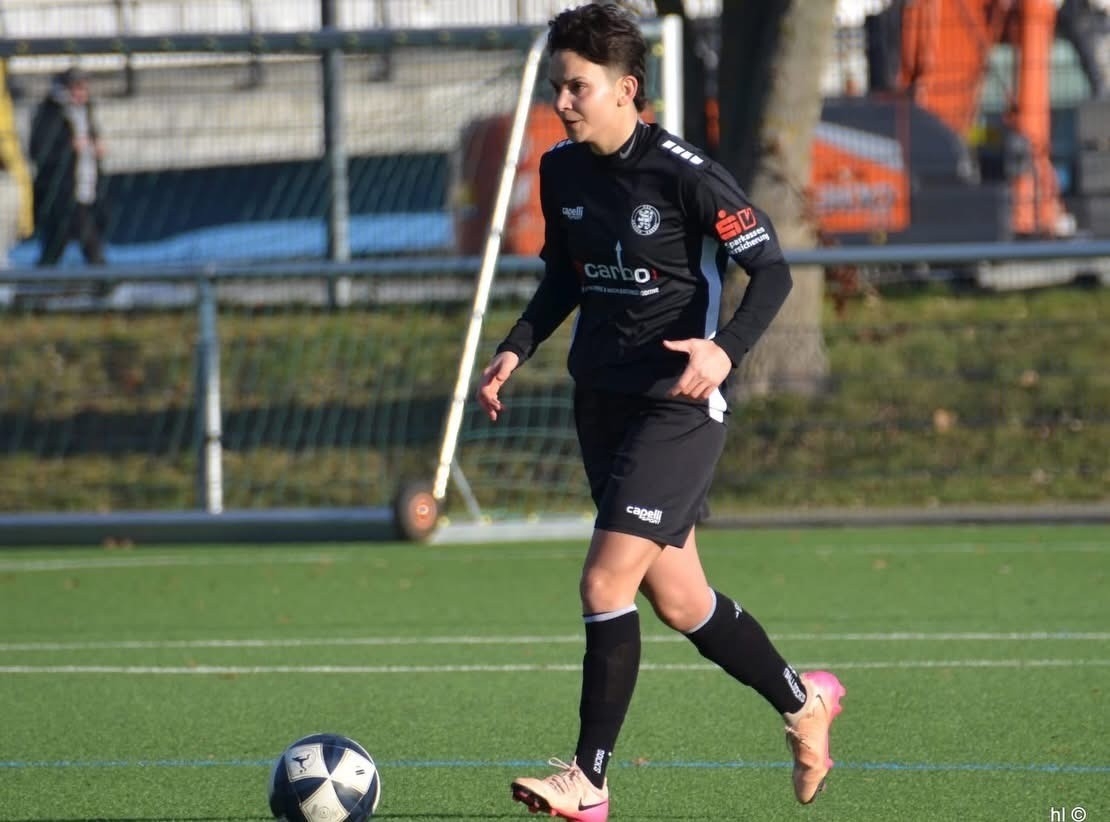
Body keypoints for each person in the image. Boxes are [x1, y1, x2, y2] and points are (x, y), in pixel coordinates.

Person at [475, 5, 845, 820]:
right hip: (600, 403)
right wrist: (515, 347)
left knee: (604, 579)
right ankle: (804, 704)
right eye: (556, 86)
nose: (561, 102)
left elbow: (773, 270)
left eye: (576, 87)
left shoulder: (687, 176)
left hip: (677, 407)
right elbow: (564, 277)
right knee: (681, 601)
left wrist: (725, 351)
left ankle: (588, 781)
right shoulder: (561, 171)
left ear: (626, 89)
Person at [29, 67, 107, 266]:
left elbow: (90, 135)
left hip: (85, 183)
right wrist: (69, 147)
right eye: (78, 87)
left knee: (56, 243)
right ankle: (104, 278)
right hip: (62, 189)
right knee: (89, 239)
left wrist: (96, 145)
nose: (83, 92)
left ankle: (38, 282)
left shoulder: (84, 110)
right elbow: (39, 150)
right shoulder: (50, 112)